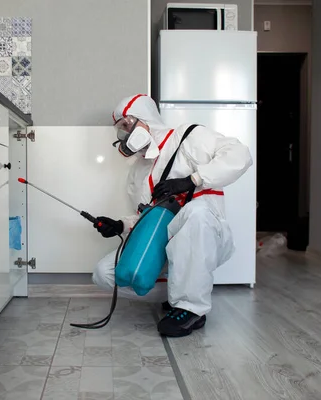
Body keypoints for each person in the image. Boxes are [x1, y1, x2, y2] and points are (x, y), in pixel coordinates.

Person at [92, 94, 253, 337]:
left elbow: (240, 155)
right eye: (120, 129)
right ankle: (182, 292)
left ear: (144, 119)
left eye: (127, 125)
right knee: (105, 273)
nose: (124, 134)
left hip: (205, 235)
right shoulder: (137, 173)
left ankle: (191, 309)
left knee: (195, 212)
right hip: (164, 245)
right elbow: (150, 220)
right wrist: (121, 225)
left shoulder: (189, 136)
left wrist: (192, 180)